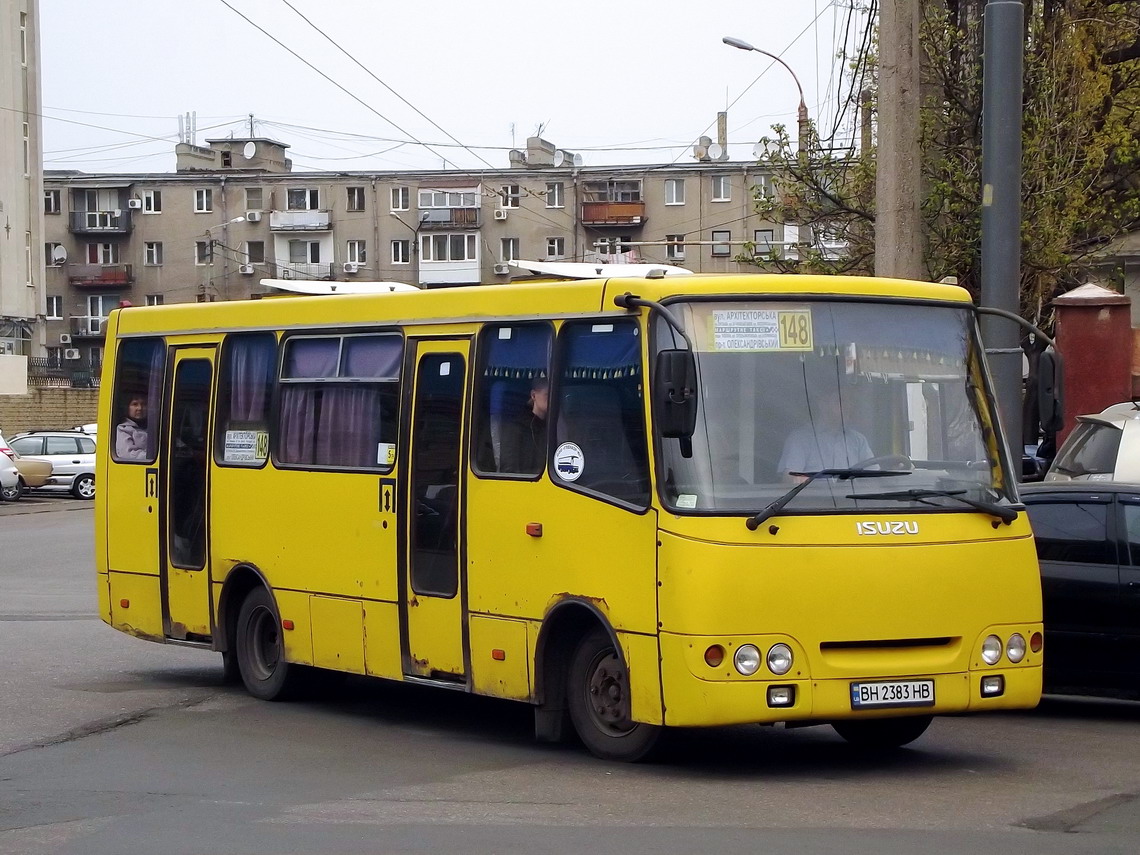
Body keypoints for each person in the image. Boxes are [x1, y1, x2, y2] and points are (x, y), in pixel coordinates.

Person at [777, 386, 873, 480]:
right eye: (841, 401)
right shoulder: (800, 439)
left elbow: (874, 477)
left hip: (851, 496)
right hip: (814, 496)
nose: (848, 406)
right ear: (822, 403)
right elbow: (790, 478)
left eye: (850, 401)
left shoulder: (859, 441)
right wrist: (804, 481)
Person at [500, 378, 548, 474]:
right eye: (547, 395)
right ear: (533, 395)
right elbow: (509, 467)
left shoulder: (555, 425)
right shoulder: (517, 426)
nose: (552, 399)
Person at [115, 394, 149, 460]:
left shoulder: (153, 427)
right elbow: (127, 454)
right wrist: (152, 456)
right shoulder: (123, 429)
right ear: (127, 407)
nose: (140, 408)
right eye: (135, 404)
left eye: (144, 404)